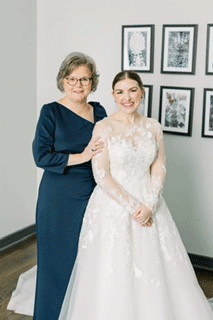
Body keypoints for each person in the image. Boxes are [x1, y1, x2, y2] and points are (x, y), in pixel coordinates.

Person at [58, 71, 213, 319]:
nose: (126, 97)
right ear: (113, 95)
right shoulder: (103, 126)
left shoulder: (153, 126)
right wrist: (133, 207)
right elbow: (101, 174)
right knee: (114, 271)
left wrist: (149, 204)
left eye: (132, 90)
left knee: (155, 267)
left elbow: (159, 166)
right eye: (120, 92)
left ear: (142, 92)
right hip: (113, 205)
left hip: (149, 203)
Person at [7, 52, 107, 319]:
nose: (78, 84)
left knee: (88, 262)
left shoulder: (99, 112)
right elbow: (41, 156)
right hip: (57, 196)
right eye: (72, 78)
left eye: (84, 79)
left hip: (93, 195)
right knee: (56, 263)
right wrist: (83, 156)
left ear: (92, 82)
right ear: (63, 81)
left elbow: (110, 152)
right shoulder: (50, 112)